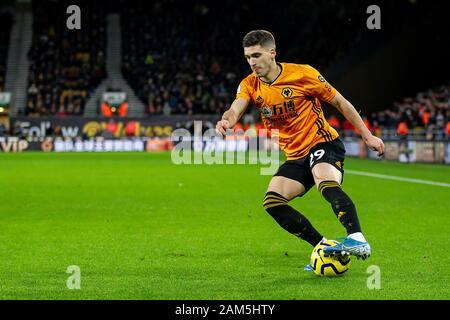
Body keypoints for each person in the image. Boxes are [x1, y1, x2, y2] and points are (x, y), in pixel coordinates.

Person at [216, 30, 385, 262]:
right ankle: (324, 247)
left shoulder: (302, 74)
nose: (252, 62)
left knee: (323, 180)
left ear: (272, 52)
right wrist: (227, 120)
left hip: (323, 142)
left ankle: (357, 238)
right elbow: (237, 106)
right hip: (296, 156)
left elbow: (340, 102)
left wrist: (367, 136)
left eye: (256, 55)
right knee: (272, 201)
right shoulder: (250, 85)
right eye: (247, 57)